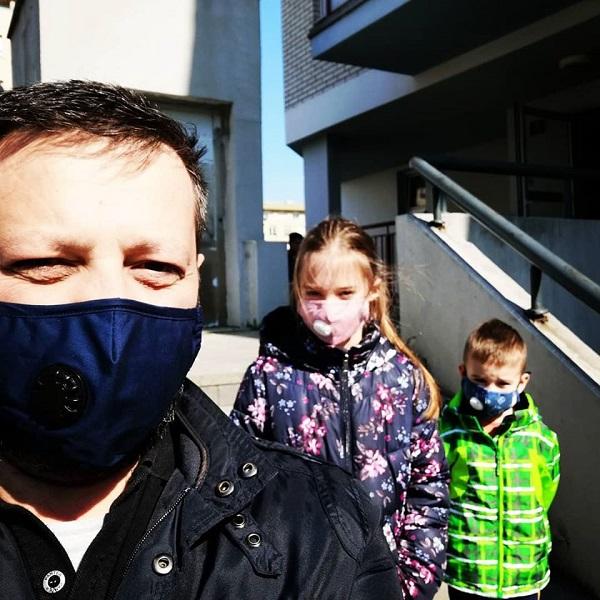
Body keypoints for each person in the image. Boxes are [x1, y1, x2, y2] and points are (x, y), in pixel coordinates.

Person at [0, 80, 403, 599]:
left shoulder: (327, 536)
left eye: (156, 267)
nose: (110, 303)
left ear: (195, 277)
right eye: (43, 263)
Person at [232, 217, 449, 599]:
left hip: (385, 586)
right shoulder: (269, 378)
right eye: (314, 293)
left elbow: (428, 486)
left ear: (372, 290)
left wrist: (414, 580)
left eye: (345, 293)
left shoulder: (403, 379)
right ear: (297, 291)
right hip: (298, 585)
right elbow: (236, 483)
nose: (328, 311)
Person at [439, 319, 560, 600]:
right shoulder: (448, 433)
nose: (490, 390)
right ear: (463, 373)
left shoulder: (540, 439)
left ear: (522, 382)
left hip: (523, 575)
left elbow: (545, 493)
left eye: (503, 383)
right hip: (468, 573)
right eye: (479, 380)